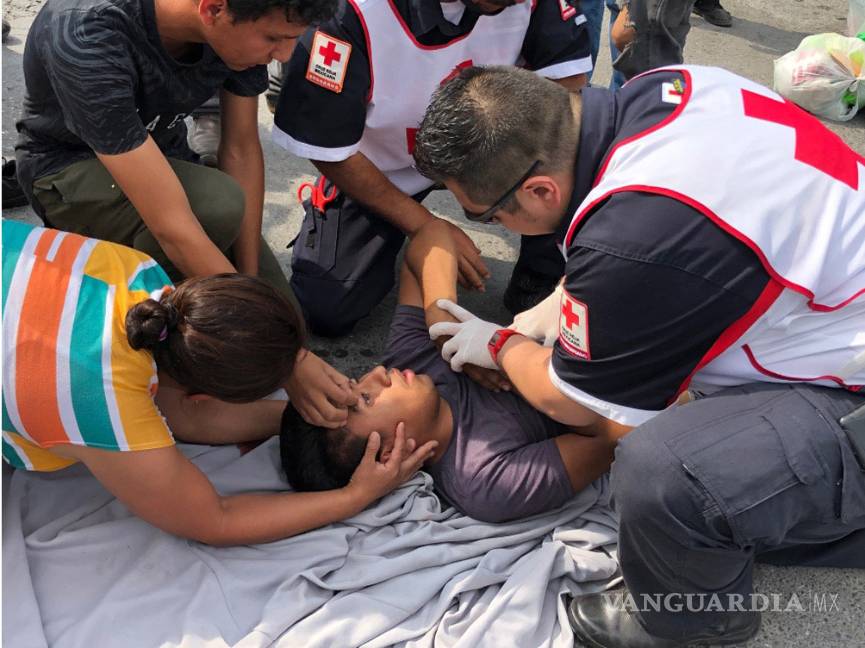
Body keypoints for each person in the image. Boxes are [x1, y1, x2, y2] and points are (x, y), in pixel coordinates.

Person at [412, 65, 865, 646]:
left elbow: (578, 406)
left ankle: (691, 620)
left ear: (540, 191)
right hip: (833, 304)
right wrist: (568, 299)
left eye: (486, 215)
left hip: (849, 383)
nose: (491, 225)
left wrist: (501, 344)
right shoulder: (668, 86)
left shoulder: (634, 241)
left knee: (669, 473)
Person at [2, 219, 434, 545]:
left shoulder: (142, 278)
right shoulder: (104, 404)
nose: (373, 375)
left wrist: (303, 411)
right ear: (202, 393)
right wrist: (354, 497)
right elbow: (215, 520)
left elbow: (182, 413)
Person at [271, 0, 593, 336]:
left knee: (570, 150)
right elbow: (327, 146)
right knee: (327, 307)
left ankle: (541, 271)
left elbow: (568, 93)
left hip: (489, 147)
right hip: (384, 164)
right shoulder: (349, 12)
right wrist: (423, 225)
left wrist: (516, 169)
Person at [280, 219, 619, 522]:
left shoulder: (411, 359)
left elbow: (430, 236)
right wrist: (510, 358)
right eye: (367, 399)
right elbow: (616, 433)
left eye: (357, 380)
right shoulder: (485, 480)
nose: (378, 373)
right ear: (388, 456)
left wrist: (441, 322)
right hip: (624, 369)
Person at [14, 0, 337, 298]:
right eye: (274, 39)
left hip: (166, 161)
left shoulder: (245, 18)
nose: (284, 55)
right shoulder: (88, 32)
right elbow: (171, 226)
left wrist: (249, 280)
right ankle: (133, 298)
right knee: (219, 208)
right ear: (213, 9)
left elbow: (241, 149)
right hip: (68, 169)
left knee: (283, 315)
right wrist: (245, 306)